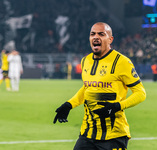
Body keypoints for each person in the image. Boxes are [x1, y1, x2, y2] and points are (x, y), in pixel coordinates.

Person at [53, 22, 146, 150]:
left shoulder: (122, 62)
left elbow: (141, 93)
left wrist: (117, 106)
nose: (96, 37)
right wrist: (69, 104)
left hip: (113, 135)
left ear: (110, 39)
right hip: (88, 133)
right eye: (93, 34)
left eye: (101, 34)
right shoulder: (86, 61)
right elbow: (88, 87)